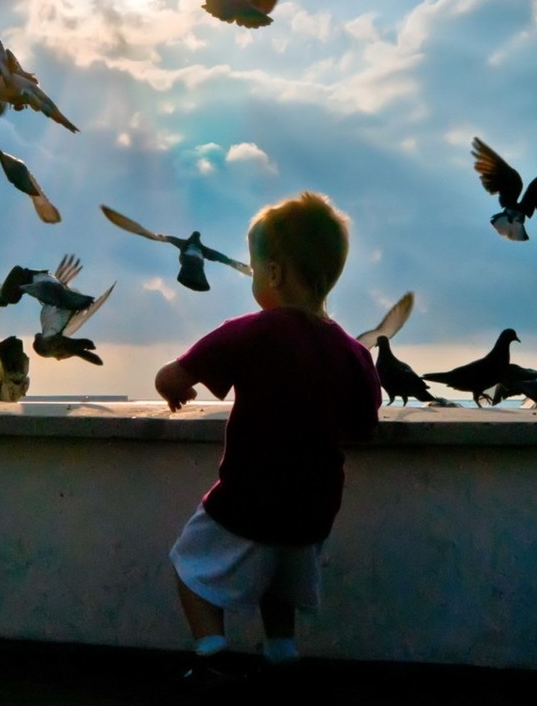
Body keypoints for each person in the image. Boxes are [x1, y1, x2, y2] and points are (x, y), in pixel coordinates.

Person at [155, 191, 381, 686]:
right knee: (280, 577)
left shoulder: (250, 333)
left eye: (255, 269)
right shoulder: (351, 352)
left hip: (248, 497)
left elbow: (171, 377)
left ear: (274, 273)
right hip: (315, 508)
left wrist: (174, 391)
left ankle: (211, 653)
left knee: (190, 563)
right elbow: (364, 426)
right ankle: (281, 654)